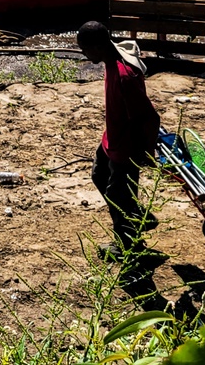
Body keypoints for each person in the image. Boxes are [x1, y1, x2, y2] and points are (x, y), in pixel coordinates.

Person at [76, 21, 161, 259]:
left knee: (118, 196)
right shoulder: (110, 59)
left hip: (127, 148)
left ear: (98, 46)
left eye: (85, 48)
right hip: (112, 138)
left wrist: (147, 153)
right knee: (98, 175)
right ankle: (138, 216)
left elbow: (150, 119)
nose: (83, 53)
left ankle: (128, 247)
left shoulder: (126, 77)